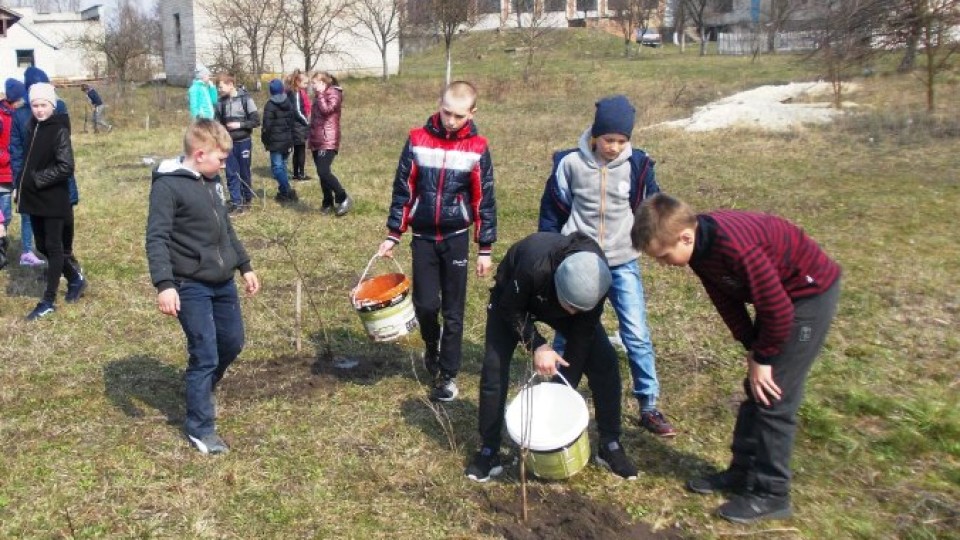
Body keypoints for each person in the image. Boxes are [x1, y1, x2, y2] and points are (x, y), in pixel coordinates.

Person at [631, 193, 841, 524]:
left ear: (686, 236)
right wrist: (749, 344)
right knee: (754, 389)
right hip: (780, 301)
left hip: (807, 296)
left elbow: (778, 311)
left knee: (774, 396)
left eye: (664, 255)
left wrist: (764, 357)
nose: (663, 263)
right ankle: (742, 473)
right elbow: (725, 298)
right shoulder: (700, 250)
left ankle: (772, 493)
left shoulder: (735, 247)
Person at [538, 94, 675, 437]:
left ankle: (649, 404)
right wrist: (551, 253)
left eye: (621, 141)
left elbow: (651, 208)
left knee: (637, 334)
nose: (614, 147)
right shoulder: (569, 164)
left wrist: (655, 240)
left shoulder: (638, 166)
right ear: (595, 134)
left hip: (622, 261)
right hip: (578, 263)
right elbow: (552, 212)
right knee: (564, 330)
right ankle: (557, 390)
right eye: (608, 139)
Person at [465, 232, 638, 482]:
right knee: (494, 367)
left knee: (605, 363)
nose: (573, 312)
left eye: (579, 309)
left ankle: (610, 444)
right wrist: (538, 345)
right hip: (513, 300)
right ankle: (489, 449)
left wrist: (559, 395)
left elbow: (581, 339)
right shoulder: (532, 267)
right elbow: (510, 308)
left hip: (565, 302)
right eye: (570, 306)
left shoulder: (598, 279)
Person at [145, 119, 261, 454]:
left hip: (222, 279)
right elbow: (157, 238)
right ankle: (200, 427)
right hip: (189, 282)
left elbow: (226, 228)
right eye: (221, 159)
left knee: (233, 341)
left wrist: (244, 264)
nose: (225, 164)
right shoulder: (168, 187)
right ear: (199, 154)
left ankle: (203, 385)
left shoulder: (213, 180)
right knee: (205, 352)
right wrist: (165, 285)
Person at [15, 82, 86, 320]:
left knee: (54, 247)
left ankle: (47, 301)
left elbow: (66, 166)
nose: (39, 110)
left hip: (53, 198)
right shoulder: (32, 127)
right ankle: (76, 278)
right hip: (35, 198)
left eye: (44, 105)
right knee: (43, 246)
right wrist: (20, 185)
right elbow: (27, 161)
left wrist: (37, 180)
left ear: (52, 106)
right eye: (35, 105)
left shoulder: (58, 129)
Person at [10, 67, 82, 268]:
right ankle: (62, 261)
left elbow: (63, 147)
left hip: (49, 175)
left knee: (49, 222)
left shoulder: (57, 108)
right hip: (46, 178)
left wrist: (21, 181)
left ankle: (62, 262)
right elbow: (17, 151)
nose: (40, 109)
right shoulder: (26, 114)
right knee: (56, 222)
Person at [215, 74, 260, 215]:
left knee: (244, 172)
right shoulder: (220, 103)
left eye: (221, 86)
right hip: (228, 144)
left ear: (231, 85)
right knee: (231, 173)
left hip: (244, 142)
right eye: (218, 87)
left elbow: (256, 121)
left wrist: (239, 124)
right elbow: (217, 123)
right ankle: (236, 203)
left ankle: (247, 199)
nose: (219, 89)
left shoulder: (246, 99)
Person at [308, 71, 350, 215]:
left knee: (323, 171)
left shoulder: (334, 94)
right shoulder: (318, 96)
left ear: (323, 83)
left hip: (328, 139)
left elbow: (327, 111)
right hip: (316, 139)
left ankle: (343, 197)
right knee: (321, 174)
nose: (312, 86)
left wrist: (320, 95)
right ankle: (327, 202)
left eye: (314, 83)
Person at [260, 79, 298, 204]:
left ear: (271, 91)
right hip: (287, 140)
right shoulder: (288, 101)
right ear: (282, 89)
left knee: (277, 168)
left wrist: (265, 140)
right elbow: (293, 122)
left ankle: (287, 190)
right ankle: (283, 193)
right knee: (283, 166)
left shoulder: (270, 105)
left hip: (275, 142)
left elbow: (267, 126)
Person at [1, 78, 26, 250]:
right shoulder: (2, 117)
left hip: (15, 173)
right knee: (3, 214)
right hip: (2, 173)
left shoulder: (19, 114)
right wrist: (7, 157)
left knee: (8, 215)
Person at [286, 69, 310, 181]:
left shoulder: (293, 91)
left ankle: (296, 173)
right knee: (300, 150)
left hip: (295, 125)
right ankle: (300, 174)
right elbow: (297, 111)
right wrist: (307, 122)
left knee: (297, 150)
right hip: (297, 126)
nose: (306, 85)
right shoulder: (295, 93)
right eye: (305, 83)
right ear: (297, 82)